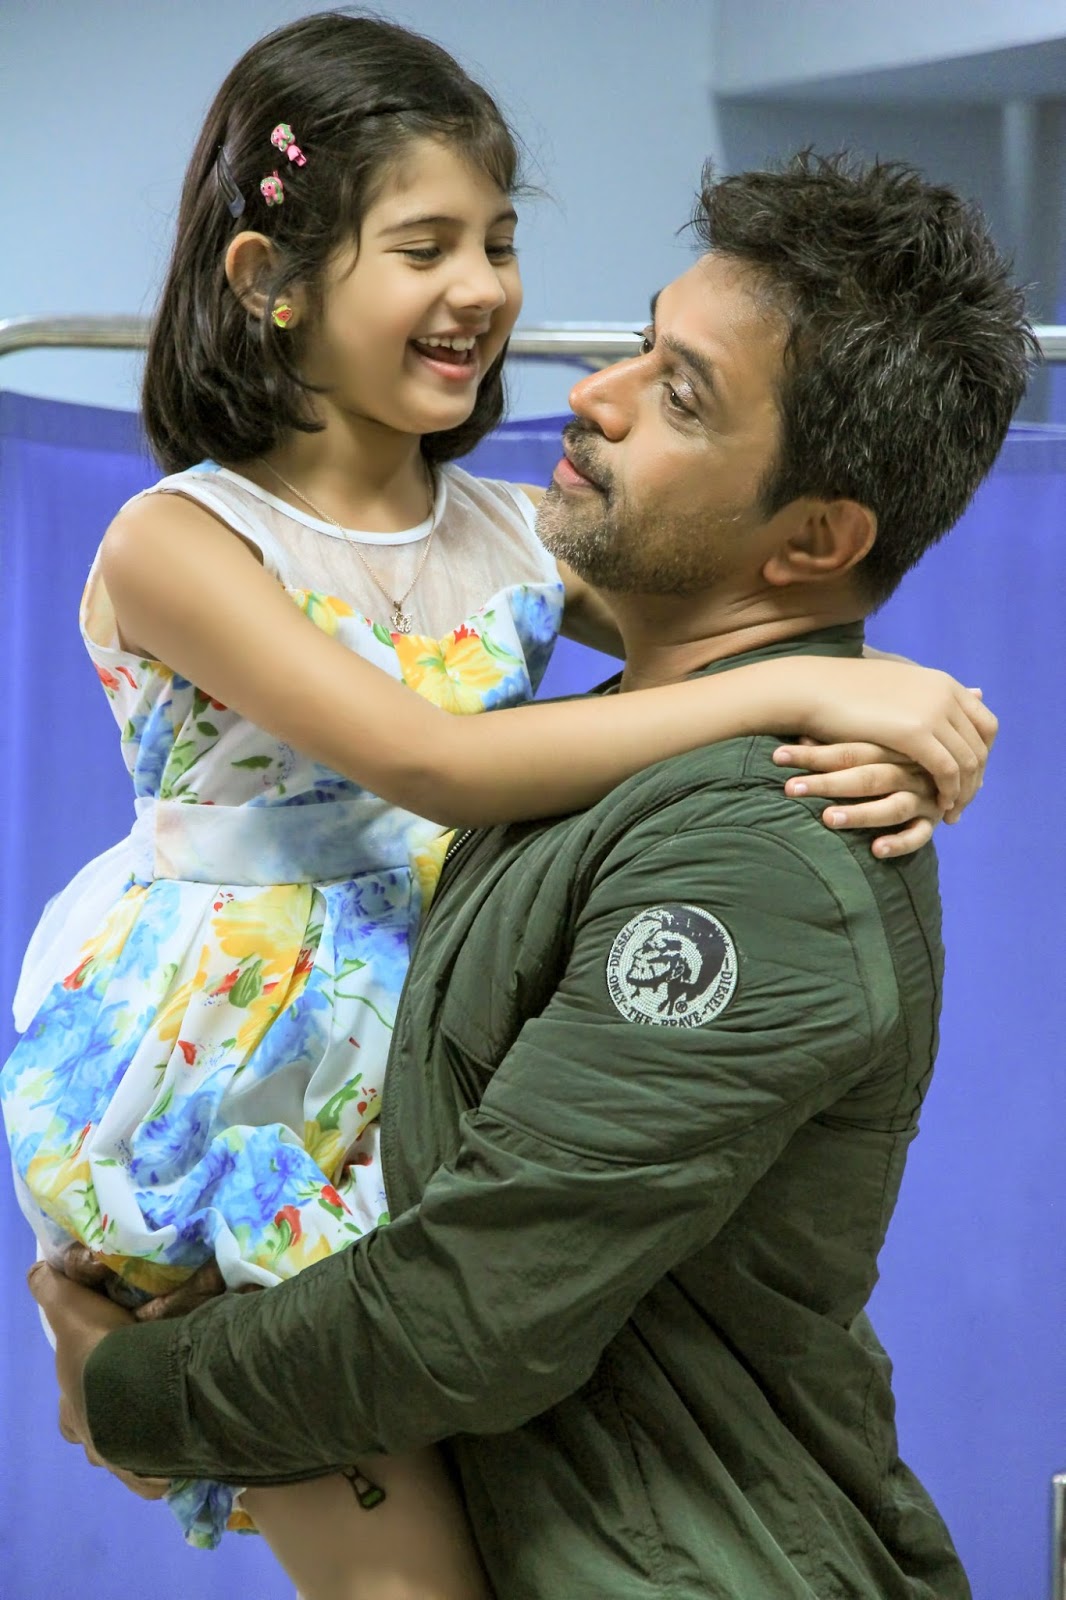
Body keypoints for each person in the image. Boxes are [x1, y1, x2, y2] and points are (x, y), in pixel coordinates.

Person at [6, 12, 996, 1591]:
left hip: (420, 1070)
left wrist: (886, 705)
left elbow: (749, 634)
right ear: (269, 282)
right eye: (422, 245)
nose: (580, 382)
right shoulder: (188, 541)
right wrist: (819, 692)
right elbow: (444, 756)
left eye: (498, 241)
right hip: (246, 1035)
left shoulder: (570, 618)